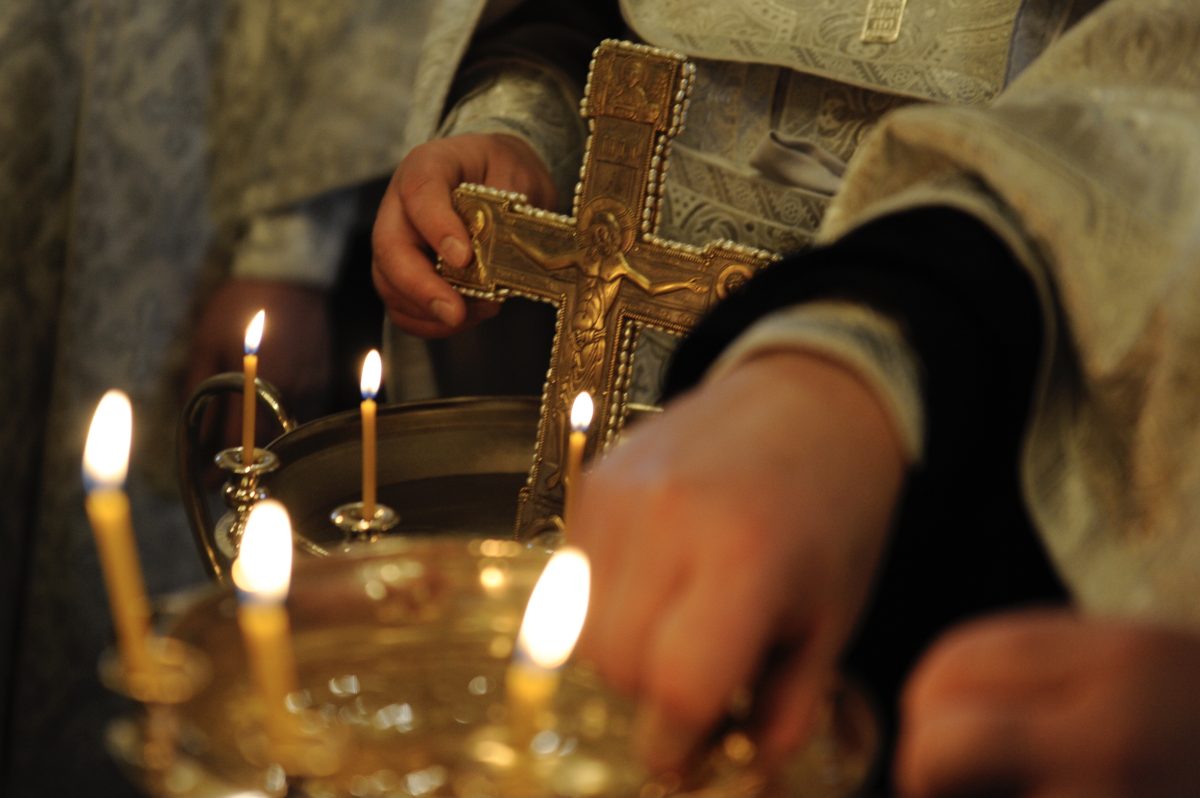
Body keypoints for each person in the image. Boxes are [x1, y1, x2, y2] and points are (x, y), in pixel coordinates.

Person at [372, 0, 1200, 793]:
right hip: (643, 398)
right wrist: (517, 136)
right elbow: (568, 24)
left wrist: (855, 365)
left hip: (990, 428)